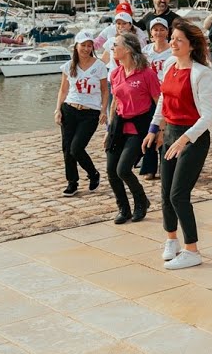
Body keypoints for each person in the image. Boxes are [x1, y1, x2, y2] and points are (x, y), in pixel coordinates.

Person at [144, 19, 212, 269]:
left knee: (178, 194)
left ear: (191, 45)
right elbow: (163, 99)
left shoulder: (201, 73)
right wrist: (154, 128)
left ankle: (192, 249)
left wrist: (184, 139)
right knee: (165, 193)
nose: (172, 42)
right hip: (170, 133)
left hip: (192, 137)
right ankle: (171, 239)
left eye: (178, 40)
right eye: (172, 38)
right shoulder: (170, 64)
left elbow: (208, 115)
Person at [104, 33, 158, 224]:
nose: (112, 48)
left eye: (115, 44)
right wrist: (109, 130)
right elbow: (114, 102)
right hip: (118, 126)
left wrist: (159, 129)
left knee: (123, 169)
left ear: (127, 49)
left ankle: (141, 202)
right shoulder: (115, 73)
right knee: (111, 171)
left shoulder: (147, 74)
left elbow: (159, 102)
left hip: (138, 128)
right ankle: (123, 208)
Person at [55, 30, 109, 196]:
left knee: (76, 148)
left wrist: (103, 110)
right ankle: (72, 182)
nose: (86, 48)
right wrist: (58, 109)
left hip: (90, 112)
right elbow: (63, 90)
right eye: (83, 45)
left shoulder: (99, 66)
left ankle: (93, 173)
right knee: (67, 148)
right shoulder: (68, 66)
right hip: (69, 109)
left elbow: (105, 90)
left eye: (89, 45)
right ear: (76, 46)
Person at [138, 18, 172, 181]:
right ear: (151, 33)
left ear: (167, 31)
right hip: (149, 95)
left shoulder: (172, 50)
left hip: (168, 94)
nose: (158, 33)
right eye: (155, 30)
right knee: (150, 129)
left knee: (166, 131)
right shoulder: (145, 51)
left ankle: (167, 165)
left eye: (162, 29)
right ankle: (150, 167)